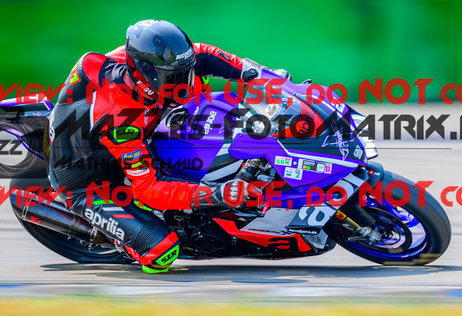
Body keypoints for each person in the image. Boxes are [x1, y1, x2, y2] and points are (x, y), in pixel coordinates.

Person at [46, 19, 288, 273]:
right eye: (174, 79)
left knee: (209, 112)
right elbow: (148, 189)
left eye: (185, 73)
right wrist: (217, 194)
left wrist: (260, 74)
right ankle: (116, 236)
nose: (184, 83)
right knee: (162, 252)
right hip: (91, 181)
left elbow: (202, 54)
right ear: (145, 73)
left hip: (113, 133)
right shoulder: (121, 121)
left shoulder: (139, 62)